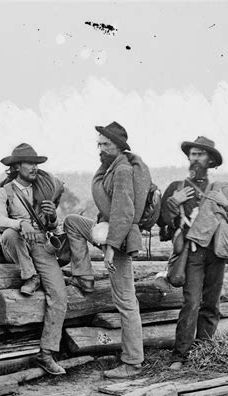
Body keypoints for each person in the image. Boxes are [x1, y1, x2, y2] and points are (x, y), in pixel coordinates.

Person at [160, 136, 228, 370]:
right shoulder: (177, 188)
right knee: (191, 302)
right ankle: (180, 355)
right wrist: (173, 203)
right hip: (191, 253)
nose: (195, 158)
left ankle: (205, 351)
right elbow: (163, 224)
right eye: (192, 154)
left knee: (211, 303)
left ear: (210, 160)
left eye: (200, 154)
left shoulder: (222, 188)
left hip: (216, 252)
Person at [64, 122, 149, 379]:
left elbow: (124, 211)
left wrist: (110, 248)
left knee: (125, 301)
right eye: (98, 144)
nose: (99, 149)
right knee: (72, 222)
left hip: (120, 239)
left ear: (119, 146)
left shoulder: (122, 169)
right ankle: (84, 276)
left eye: (105, 144)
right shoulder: (110, 166)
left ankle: (132, 362)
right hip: (109, 231)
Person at [0, 143, 68, 375]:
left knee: (59, 295)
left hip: (41, 244)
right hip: (17, 244)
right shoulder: (3, 192)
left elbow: (54, 226)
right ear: (16, 166)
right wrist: (19, 223)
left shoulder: (43, 190)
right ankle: (30, 275)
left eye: (36, 163)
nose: (34, 167)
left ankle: (46, 353)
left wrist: (53, 216)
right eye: (29, 163)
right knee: (9, 233)